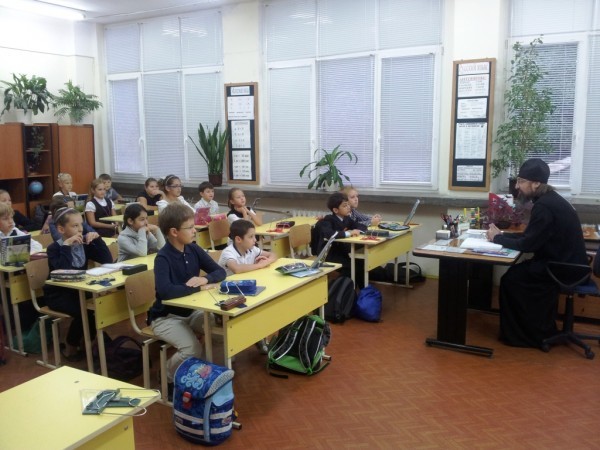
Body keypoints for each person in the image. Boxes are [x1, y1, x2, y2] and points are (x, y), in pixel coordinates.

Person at [486, 158, 588, 349]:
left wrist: (497, 239)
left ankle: (526, 336)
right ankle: (536, 330)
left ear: (536, 183)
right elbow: (532, 236)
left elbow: (528, 244)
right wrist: (503, 235)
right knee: (516, 274)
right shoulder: (550, 200)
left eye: (521, 181)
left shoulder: (544, 206)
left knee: (511, 280)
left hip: (561, 269)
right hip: (568, 264)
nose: (517, 186)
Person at [147, 202, 226, 396]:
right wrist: (197, 287)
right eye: (190, 227)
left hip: (192, 311)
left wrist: (204, 279)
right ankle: (167, 375)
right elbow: (165, 291)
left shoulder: (193, 249)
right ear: (174, 232)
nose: (194, 230)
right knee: (191, 348)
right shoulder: (163, 258)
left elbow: (220, 272)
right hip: (166, 317)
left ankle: (201, 373)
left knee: (221, 334)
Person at [43, 207, 112, 360]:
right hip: (58, 294)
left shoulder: (84, 244)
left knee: (98, 306)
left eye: (81, 224)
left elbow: (107, 260)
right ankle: (71, 345)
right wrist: (66, 246)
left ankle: (88, 342)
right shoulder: (54, 249)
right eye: (75, 226)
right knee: (84, 312)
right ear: (61, 229)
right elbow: (64, 271)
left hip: (78, 290)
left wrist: (97, 239)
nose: (80, 229)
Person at [312, 192, 367, 283]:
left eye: (348, 205)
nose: (348, 207)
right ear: (335, 210)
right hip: (328, 255)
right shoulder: (328, 220)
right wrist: (348, 233)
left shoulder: (346, 218)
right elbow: (330, 234)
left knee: (360, 263)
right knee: (351, 267)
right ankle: (338, 287)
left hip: (340, 252)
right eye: (345, 206)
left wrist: (358, 231)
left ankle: (362, 290)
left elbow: (361, 226)